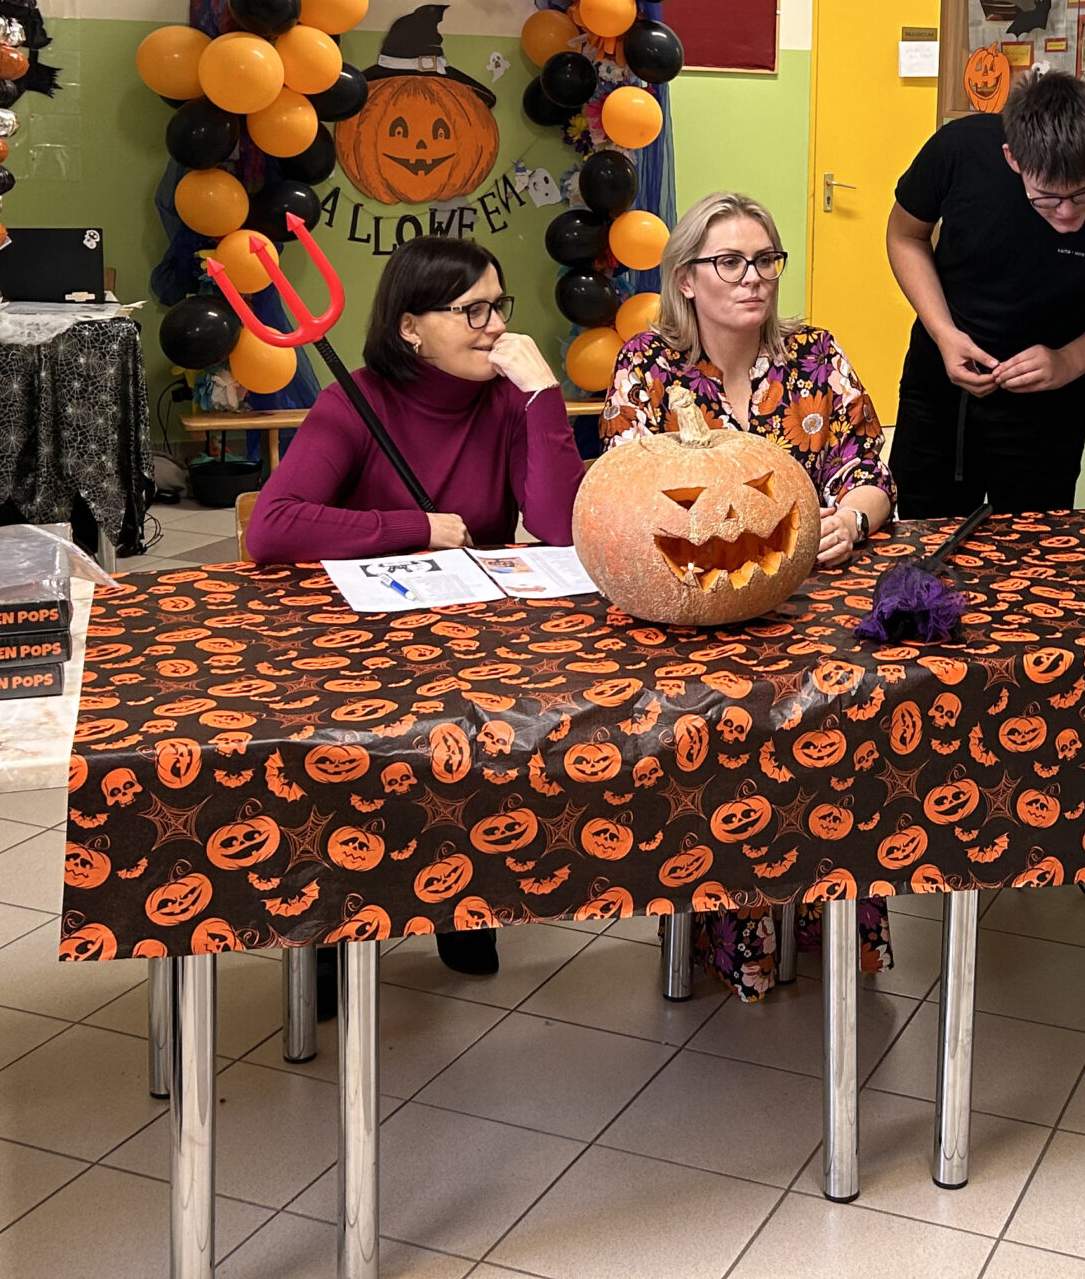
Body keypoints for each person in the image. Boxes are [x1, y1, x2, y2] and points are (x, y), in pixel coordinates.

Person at [244, 236, 583, 978]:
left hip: (469, 640)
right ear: (410, 327)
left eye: (499, 306)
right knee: (348, 770)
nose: (496, 326)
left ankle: (459, 898)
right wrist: (414, 528)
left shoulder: (505, 400)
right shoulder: (355, 399)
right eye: (473, 310)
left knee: (477, 747)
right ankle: (331, 936)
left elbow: (559, 527)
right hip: (354, 643)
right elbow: (271, 528)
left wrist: (543, 395)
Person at [602, 191, 895, 997]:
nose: (753, 277)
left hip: (814, 604)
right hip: (694, 612)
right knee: (728, 765)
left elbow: (870, 470)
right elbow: (629, 497)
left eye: (765, 259)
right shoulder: (647, 365)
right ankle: (735, 941)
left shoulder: (815, 355)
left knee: (840, 747)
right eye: (729, 262)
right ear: (686, 279)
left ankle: (833, 929)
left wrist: (853, 521)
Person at [886, 69, 1085, 517]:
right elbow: (905, 236)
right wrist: (943, 332)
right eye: (1047, 198)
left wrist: (1070, 360)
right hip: (941, 390)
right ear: (1012, 158)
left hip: (1050, 405)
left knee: (1035, 545)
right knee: (925, 535)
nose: (1068, 214)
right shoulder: (958, 150)